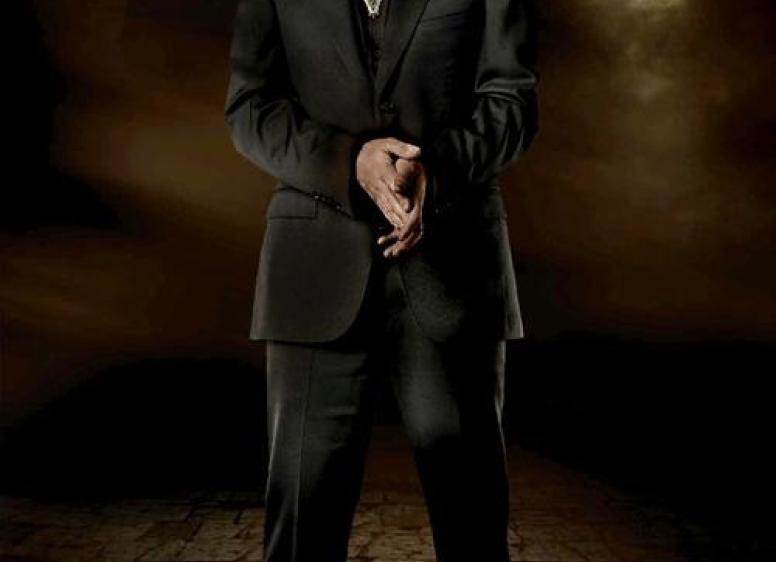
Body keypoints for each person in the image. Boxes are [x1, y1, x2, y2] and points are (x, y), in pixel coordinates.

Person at [224, 0, 539, 560]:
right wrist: (347, 163)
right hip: (313, 271)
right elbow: (250, 107)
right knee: (300, 526)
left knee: (473, 519)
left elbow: (512, 101)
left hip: (454, 266)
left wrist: (438, 170)